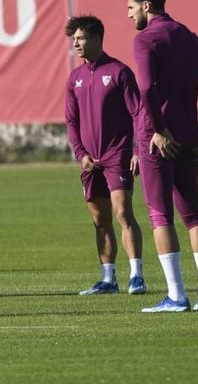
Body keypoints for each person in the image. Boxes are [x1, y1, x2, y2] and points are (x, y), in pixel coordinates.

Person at [125, 0, 198, 313]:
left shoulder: (145, 39)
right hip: (189, 136)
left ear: (146, 5)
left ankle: (176, 295)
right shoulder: (187, 35)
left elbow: (144, 88)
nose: (128, 14)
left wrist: (157, 129)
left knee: (159, 215)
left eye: (131, 7)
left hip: (158, 138)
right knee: (193, 214)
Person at [64, 15, 146, 297]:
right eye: (73, 39)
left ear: (97, 38)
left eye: (81, 38)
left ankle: (137, 275)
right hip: (90, 160)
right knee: (100, 220)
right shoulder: (74, 78)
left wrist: (137, 150)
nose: (75, 43)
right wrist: (80, 154)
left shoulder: (120, 72)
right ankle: (108, 279)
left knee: (123, 213)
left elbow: (138, 113)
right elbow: (71, 122)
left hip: (117, 154)